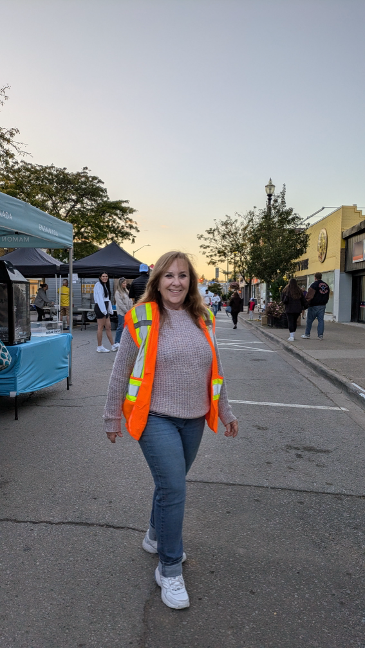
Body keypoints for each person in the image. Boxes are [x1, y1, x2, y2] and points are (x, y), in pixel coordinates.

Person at [103, 251, 238, 610]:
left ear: (191, 281)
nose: (176, 282)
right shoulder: (141, 317)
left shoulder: (204, 316)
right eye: (168, 276)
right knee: (175, 488)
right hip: (155, 418)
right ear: (157, 282)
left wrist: (226, 412)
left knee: (168, 486)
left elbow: (216, 367)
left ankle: (154, 535)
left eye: (182, 275)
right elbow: (120, 370)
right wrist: (111, 418)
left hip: (194, 419)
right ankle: (170, 568)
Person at [93, 271, 118, 353]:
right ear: (100, 277)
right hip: (101, 307)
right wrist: (104, 310)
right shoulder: (98, 285)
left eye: (106, 276)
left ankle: (113, 345)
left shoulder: (105, 285)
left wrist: (109, 310)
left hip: (105, 307)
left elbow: (107, 299)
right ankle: (99, 346)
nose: (105, 278)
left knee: (108, 327)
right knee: (100, 327)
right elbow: (100, 299)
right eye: (103, 276)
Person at [301, 272, 330, 340]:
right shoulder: (326, 285)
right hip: (322, 305)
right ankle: (320, 335)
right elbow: (327, 295)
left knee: (309, 320)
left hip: (313, 305)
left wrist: (305, 303)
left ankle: (307, 334)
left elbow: (310, 295)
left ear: (315, 277)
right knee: (321, 320)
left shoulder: (314, 285)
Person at [114, 277, 133, 347]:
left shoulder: (126, 291)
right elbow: (120, 304)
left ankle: (124, 342)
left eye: (125, 283)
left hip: (128, 312)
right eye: (123, 283)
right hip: (122, 313)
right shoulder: (118, 293)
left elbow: (130, 300)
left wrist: (130, 309)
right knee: (120, 327)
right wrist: (127, 311)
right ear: (120, 284)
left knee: (127, 328)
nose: (125, 284)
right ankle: (117, 341)